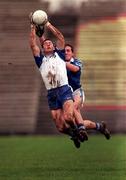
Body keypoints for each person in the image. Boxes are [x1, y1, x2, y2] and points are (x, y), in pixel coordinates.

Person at [29, 17, 88, 148]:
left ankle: (77, 131)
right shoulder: (41, 60)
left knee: (68, 118)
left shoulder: (60, 55)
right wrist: (32, 27)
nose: (48, 44)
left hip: (64, 89)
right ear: (43, 48)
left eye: (50, 43)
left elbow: (60, 37)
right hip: (52, 94)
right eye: (45, 43)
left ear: (54, 47)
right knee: (60, 128)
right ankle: (73, 134)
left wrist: (47, 24)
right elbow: (33, 44)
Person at [65, 44, 111, 140]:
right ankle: (99, 127)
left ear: (72, 53)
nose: (66, 52)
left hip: (77, 92)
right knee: (75, 121)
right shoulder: (60, 64)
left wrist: (60, 63)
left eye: (68, 50)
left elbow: (75, 69)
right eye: (64, 51)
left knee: (74, 108)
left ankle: (78, 133)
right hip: (66, 95)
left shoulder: (77, 62)